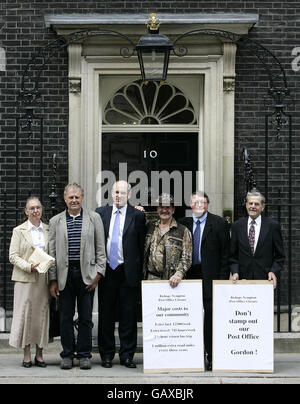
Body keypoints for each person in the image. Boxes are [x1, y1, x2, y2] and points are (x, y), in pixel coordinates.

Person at [49, 183, 106, 370]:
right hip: (65, 275)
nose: (74, 200)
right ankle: (66, 354)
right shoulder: (55, 221)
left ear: (82, 198)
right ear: (65, 199)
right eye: (70, 197)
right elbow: (52, 254)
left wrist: (98, 274)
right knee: (65, 317)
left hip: (86, 275)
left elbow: (100, 249)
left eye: (77, 197)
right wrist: (53, 279)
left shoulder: (94, 218)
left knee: (86, 318)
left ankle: (84, 355)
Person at [96, 180, 146, 369]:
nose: (119, 196)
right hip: (108, 271)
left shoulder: (138, 216)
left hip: (128, 272)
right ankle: (107, 355)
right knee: (106, 315)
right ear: (111, 193)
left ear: (129, 195)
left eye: (122, 193)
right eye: (116, 192)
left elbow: (142, 246)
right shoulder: (100, 213)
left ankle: (127, 355)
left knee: (128, 315)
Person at [179, 191, 230, 370]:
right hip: (189, 276)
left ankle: (212, 355)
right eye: (195, 202)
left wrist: (222, 281)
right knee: (190, 318)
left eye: (202, 202)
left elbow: (226, 255)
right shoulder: (182, 223)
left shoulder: (219, 223)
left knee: (210, 317)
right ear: (191, 205)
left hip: (211, 277)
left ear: (207, 204)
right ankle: (193, 356)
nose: (199, 205)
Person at [9, 196, 50, 368]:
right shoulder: (19, 231)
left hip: (43, 279)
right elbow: (13, 256)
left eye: (38, 208)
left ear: (41, 210)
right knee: (25, 315)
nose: (35, 211)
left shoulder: (48, 229)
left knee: (41, 315)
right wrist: (28, 266)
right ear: (26, 212)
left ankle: (39, 354)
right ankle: (27, 354)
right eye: (31, 208)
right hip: (25, 279)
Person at [230, 190, 285, 289]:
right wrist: (235, 272)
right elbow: (232, 255)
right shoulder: (237, 226)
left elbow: (280, 256)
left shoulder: (273, 226)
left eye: (257, 204)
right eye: (250, 203)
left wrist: (273, 271)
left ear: (262, 207)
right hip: (242, 280)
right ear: (246, 205)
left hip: (265, 279)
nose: (253, 206)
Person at [143, 193, 192, 287]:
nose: (164, 210)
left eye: (168, 207)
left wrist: (179, 274)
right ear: (157, 209)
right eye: (161, 207)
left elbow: (187, 258)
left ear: (173, 210)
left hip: (172, 282)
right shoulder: (149, 227)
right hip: (150, 279)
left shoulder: (183, 231)